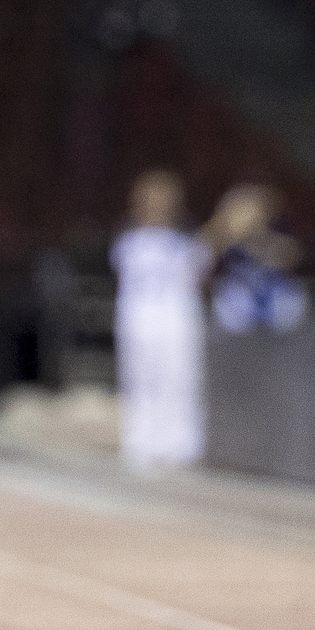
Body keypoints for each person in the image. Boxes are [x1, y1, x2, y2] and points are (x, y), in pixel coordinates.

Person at [110, 171, 211, 471]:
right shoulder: (128, 240)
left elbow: (201, 271)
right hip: (139, 321)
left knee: (180, 379)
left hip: (177, 321)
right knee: (139, 379)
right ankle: (141, 443)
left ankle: (182, 445)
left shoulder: (187, 240)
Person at [204, 183, 307, 334]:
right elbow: (199, 259)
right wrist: (223, 230)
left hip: (275, 300)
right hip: (236, 303)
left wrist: (255, 235)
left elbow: (291, 255)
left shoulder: (280, 228)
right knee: (232, 296)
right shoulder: (220, 234)